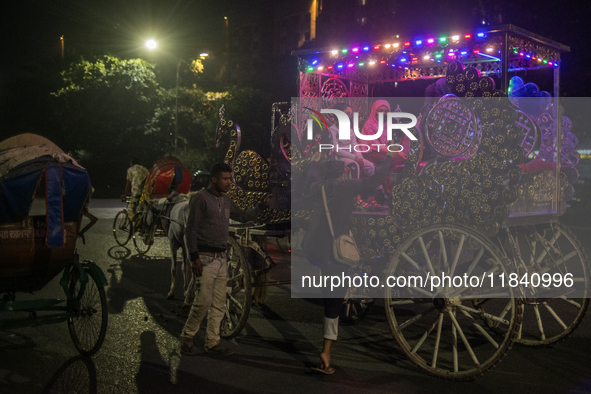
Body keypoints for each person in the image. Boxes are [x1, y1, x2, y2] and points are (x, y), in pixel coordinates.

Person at [302, 147, 397, 374]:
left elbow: (310, 178)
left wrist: (315, 161)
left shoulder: (317, 189)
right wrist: (389, 159)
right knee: (333, 303)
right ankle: (326, 351)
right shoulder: (347, 187)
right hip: (337, 252)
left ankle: (338, 297)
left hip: (317, 250)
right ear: (343, 173)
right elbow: (374, 180)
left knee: (331, 294)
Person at [179, 162, 271, 356]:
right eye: (225, 179)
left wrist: (262, 206)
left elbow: (244, 216)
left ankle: (212, 342)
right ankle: (187, 337)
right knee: (203, 301)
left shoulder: (226, 201)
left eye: (230, 178)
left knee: (219, 304)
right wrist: (193, 257)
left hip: (222, 259)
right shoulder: (200, 199)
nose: (229, 182)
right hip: (204, 259)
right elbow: (190, 229)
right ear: (214, 179)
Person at [327, 102, 375, 179]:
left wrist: (360, 158)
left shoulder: (350, 131)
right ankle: (354, 190)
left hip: (351, 157)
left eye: (350, 114)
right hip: (339, 158)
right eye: (347, 113)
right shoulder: (332, 130)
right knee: (354, 166)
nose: (350, 116)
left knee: (371, 166)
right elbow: (336, 150)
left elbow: (355, 147)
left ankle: (371, 189)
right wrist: (354, 158)